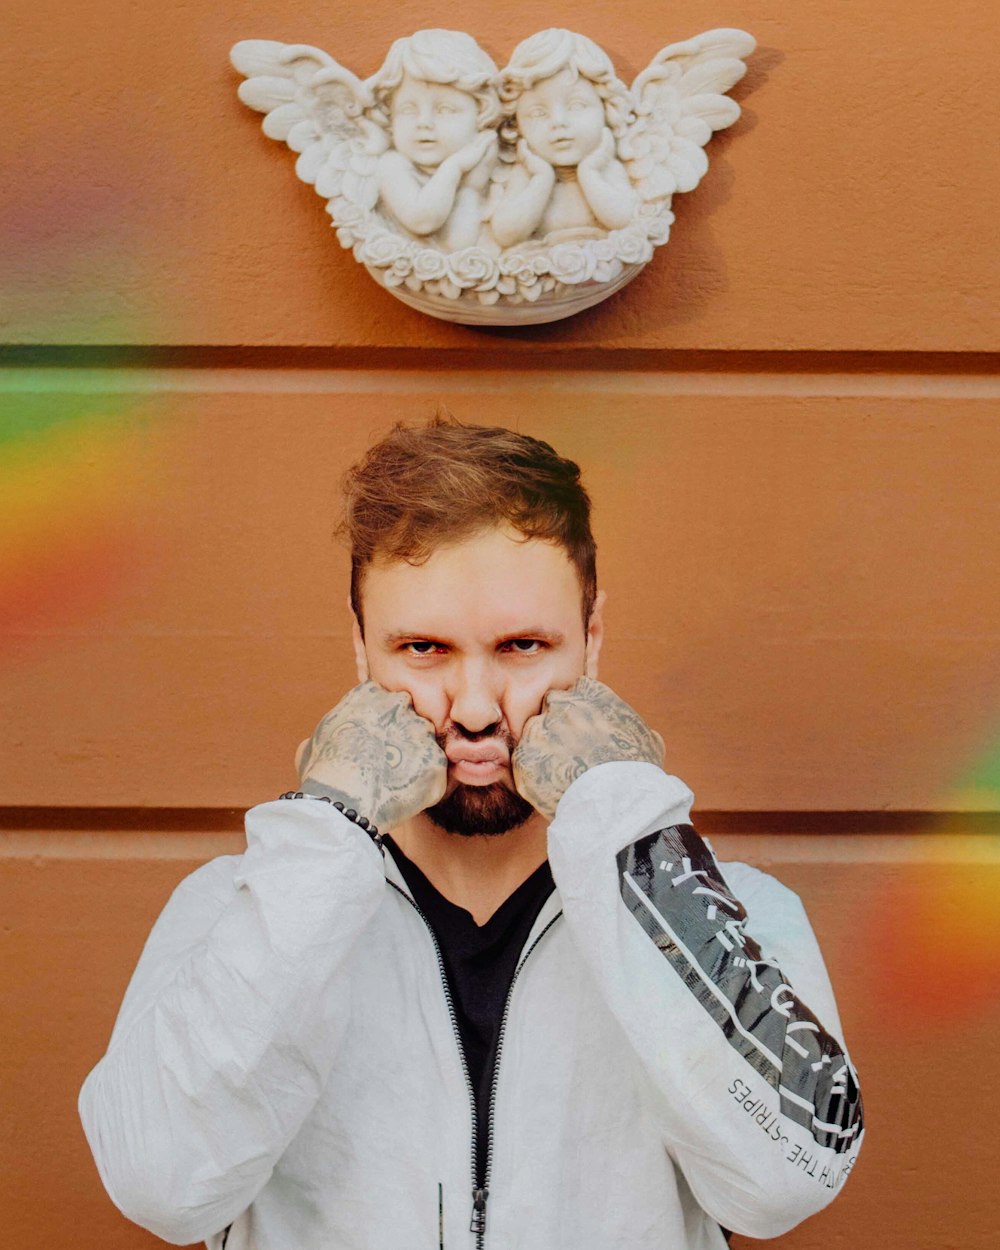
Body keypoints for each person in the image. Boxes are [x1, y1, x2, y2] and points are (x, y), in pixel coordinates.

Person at [79, 417, 863, 1250]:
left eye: (524, 647)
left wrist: (630, 835)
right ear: (361, 652)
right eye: (424, 649)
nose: (478, 707)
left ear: (592, 642)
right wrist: (327, 828)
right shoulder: (235, 910)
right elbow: (160, 1189)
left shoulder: (731, 907)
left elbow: (788, 1182)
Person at [491, 30, 639, 247]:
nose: (558, 122)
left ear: (607, 111)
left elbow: (624, 220)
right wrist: (541, 177)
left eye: (576, 106)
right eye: (538, 113)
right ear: (517, 126)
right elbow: (507, 234)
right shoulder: (526, 173)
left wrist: (589, 171)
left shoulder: (606, 167)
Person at [370, 31, 501, 251]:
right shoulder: (392, 165)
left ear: (481, 116)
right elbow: (423, 221)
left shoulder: (491, 164)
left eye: (445, 109)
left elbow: (460, 245)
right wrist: (454, 167)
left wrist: (471, 189)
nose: (424, 122)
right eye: (408, 109)